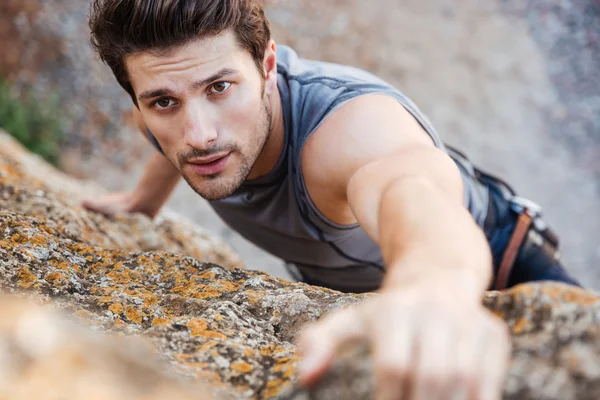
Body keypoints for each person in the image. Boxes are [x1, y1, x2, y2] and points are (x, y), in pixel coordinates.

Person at [85, 0, 580, 398]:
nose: (198, 135)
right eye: (164, 102)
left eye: (219, 87)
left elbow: (414, 193)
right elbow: (165, 134)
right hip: (365, 295)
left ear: (268, 65)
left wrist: (435, 287)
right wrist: (144, 201)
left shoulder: (347, 133)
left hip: (496, 260)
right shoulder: (166, 107)